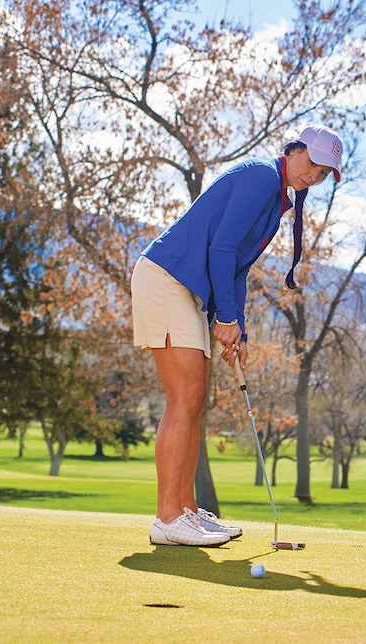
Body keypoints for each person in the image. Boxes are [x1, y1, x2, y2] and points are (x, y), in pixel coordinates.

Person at [131, 125, 344, 546]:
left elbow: (238, 267)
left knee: (195, 401)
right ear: (295, 149)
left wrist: (238, 329)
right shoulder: (262, 177)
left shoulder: (278, 199)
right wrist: (224, 317)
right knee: (185, 397)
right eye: (313, 164)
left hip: (189, 287)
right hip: (166, 278)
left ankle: (187, 512)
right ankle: (167, 517)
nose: (314, 175)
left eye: (323, 173)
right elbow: (221, 247)